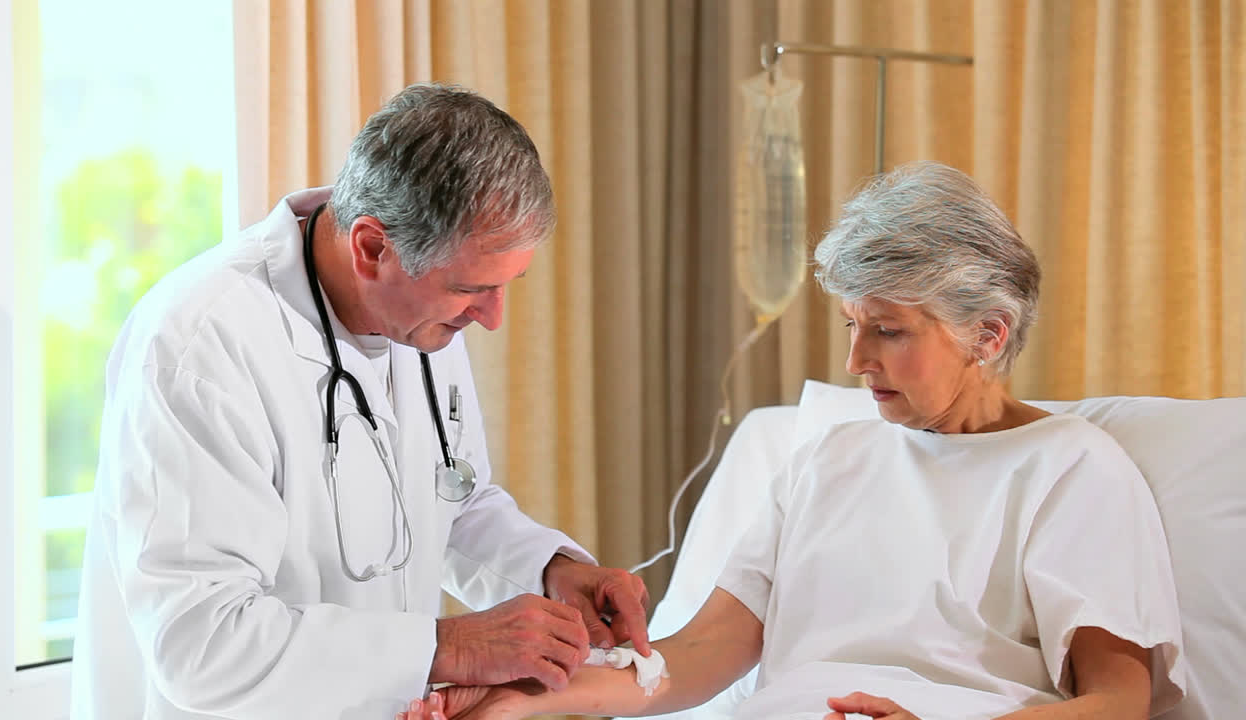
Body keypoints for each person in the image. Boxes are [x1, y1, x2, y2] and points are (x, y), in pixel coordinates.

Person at [400, 162, 1186, 720]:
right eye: (852, 326)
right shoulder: (830, 457)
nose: (855, 361)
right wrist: (520, 704)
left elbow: (1117, 701)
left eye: (888, 330)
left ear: (988, 333)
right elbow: (696, 657)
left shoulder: (1072, 469)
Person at [70, 83, 650, 720]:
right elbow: (201, 645)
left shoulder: (419, 312)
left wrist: (552, 569)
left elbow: (449, 502)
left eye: (504, 287)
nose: (492, 318)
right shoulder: (200, 346)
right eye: (472, 290)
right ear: (372, 248)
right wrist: (447, 646)